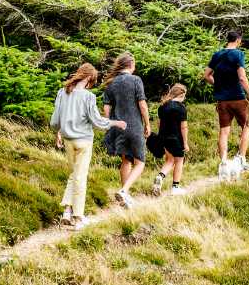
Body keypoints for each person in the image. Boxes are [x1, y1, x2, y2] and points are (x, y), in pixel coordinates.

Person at [49, 63, 127, 228]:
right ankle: (78, 217)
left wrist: (57, 133)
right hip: (84, 141)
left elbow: (55, 121)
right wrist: (116, 123)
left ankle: (67, 212)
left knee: (73, 175)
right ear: (90, 78)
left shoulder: (62, 92)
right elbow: (97, 121)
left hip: (68, 140)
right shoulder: (88, 97)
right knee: (80, 177)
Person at [101, 52, 150, 208]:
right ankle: (124, 191)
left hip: (119, 127)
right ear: (131, 64)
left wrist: (109, 126)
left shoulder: (111, 83)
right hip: (135, 125)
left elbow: (106, 110)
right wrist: (147, 123)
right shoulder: (136, 80)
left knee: (126, 160)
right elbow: (142, 104)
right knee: (140, 161)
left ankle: (125, 196)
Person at [204, 30, 249, 170]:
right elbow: (242, 78)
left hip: (222, 100)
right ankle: (242, 159)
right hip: (237, 98)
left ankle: (224, 162)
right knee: (246, 126)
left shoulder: (217, 55)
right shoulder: (238, 54)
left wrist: (218, 84)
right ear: (238, 40)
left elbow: (206, 75)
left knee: (224, 131)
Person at [150, 83, 190, 196]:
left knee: (170, 160)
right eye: (184, 95)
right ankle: (175, 187)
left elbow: (160, 124)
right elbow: (183, 127)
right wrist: (185, 143)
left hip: (164, 137)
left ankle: (160, 177)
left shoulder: (163, 106)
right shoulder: (181, 108)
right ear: (181, 94)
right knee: (179, 161)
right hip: (176, 139)